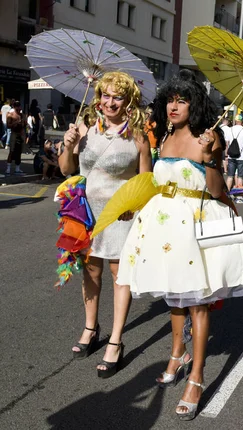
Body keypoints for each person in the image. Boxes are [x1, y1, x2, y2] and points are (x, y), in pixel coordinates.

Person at [117, 70, 243, 420]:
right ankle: (177, 355)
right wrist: (132, 204)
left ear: (195, 103)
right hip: (163, 228)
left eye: (181, 100)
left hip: (195, 224)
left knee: (197, 303)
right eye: (169, 100)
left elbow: (218, 190)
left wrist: (209, 157)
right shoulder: (164, 136)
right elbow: (154, 181)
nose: (173, 106)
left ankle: (196, 378)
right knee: (174, 297)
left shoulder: (210, 136)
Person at [59, 71, 152, 376]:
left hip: (121, 214)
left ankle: (115, 341)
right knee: (91, 269)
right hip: (85, 212)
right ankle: (90, 327)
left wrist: (133, 206)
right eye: (106, 95)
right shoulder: (84, 128)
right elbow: (67, 171)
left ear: (129, 101)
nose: (110, 102)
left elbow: (145, 182)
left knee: (118, 272)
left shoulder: (138, 135)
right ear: (98, 97)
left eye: (118, 97)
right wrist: (68, 146)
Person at [226, 114, 243, 204]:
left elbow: (227, 143)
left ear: (235, 121)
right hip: (242, 156)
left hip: (231, 155)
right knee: (240, 176)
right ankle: (239, 196)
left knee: (230, 176)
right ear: (242, 121)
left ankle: (227, 194)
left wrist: (226, 155)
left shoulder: (230, 129)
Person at [5, 101, 26, 175]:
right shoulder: (10, 115)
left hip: (21, 134)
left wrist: (24, 123)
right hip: (14, 133)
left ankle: (17, 168)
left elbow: (25, 125)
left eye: (19, 106)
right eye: (17, 106)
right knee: (12, 151)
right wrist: (16, 123)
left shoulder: (22, 115)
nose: (19, 108)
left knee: (19, 151)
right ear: (14, 107)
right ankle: (8, 168)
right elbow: (8, 125)